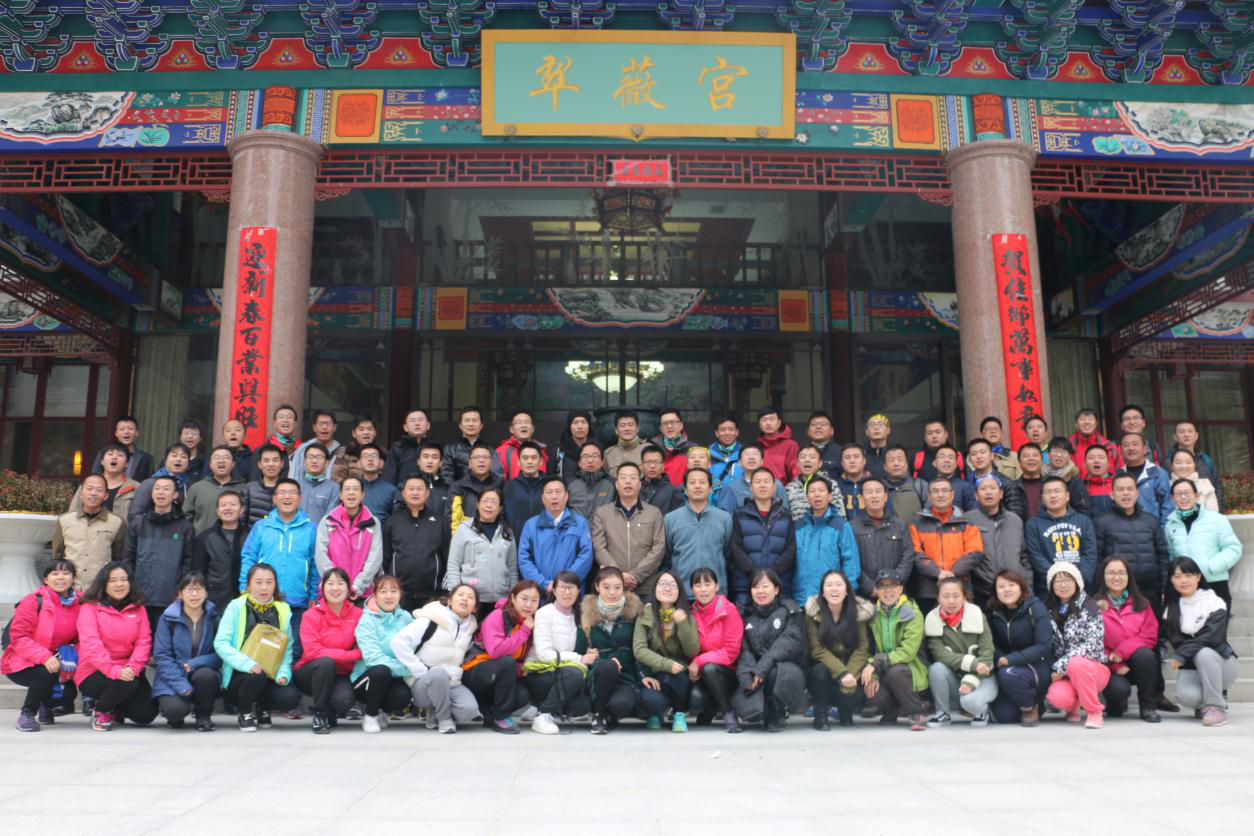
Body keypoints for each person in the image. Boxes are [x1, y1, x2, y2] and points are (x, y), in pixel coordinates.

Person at [238, 478, 319, 661]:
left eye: (292, 493)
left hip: (298, 600)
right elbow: (249, 557)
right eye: (282, 493)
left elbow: (316, 564)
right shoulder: (261, 527)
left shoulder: (311, 528)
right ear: (274, 498)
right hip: (265, 600)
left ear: (299, 498)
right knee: (263, 651)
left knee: (294, 650)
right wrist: (244, 585)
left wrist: (314, 594)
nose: (287, 497)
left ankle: (288, 678)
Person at [215, 563, 300, 731]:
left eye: (269, 582)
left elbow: (287, 648)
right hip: (240, 676)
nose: (264, 587)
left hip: (269, 674)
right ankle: (244, 712)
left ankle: (263, 708)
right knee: (257, 675)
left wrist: (283, 673)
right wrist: (247, 664)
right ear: (248, 585)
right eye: (258, 582)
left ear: (275, 585)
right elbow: (221, 643)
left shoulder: (283, 610)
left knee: (289, 697)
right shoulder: (236, 606)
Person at [75, 561, 158, 730]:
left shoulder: (138, 607)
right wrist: (114, 670)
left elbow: (143, 641)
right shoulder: (90, 607)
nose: (119, 584)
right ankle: (101, 710)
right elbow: (91, 644)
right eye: (113, 580)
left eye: (124, 579)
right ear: (103, 583)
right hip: (94, 670)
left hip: (128, 669)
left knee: (146, 715)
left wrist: (133, 667)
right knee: (126, 684)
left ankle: (116, 706)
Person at [3, 558, 81, 732]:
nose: (60, 577)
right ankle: (27, 713)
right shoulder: (33, 601)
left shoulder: (80, 603)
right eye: (55, 573)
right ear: (46, 579)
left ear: (73, 578)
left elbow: (82, 637)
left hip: (59, 661)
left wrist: (72, 655)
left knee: (68, 694)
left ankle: (47, 706)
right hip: (22, 662)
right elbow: (19, 637)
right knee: (46, 672)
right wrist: (45, 657)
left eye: (66, 573)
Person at [392, 584, 481, 733]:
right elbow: (398, 642)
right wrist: (420, 670)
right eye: (460, 594)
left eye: (470, 597)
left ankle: (435, 712)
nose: (465, 598)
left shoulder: (470, 628)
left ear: (474, 608)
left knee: (469, 711)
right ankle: (444, 719)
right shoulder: (432, 618)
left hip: (452, 682)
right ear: (450, 600)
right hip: (424, 683)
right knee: (438, 673)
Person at [1163, 557, 1237, 727]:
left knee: (1204, 653)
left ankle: (1216, 707)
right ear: (1171, 580)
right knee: (1186, 697)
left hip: (1222, 663)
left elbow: (1211, 637)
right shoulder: (1170, 608)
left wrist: (1181, 654)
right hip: (1192, 666)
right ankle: (1205, 705)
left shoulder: (1215, 602)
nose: (1183, 581)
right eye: (1177, 576)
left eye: (1188, 575)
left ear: (1197, 577)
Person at [463, 580, 541, 734]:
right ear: (513, 598)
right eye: (524, 598)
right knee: (506, 662)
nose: (528, 605)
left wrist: (519, 668)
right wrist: (524, 630)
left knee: (522, 695)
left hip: (498, 671)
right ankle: (501, 717)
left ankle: (489, 713)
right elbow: (496, 651)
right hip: (475, 669)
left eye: (534, 600)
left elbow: (517, 656)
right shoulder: (498, 616)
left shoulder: (529, 621)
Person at [733, 568, 806, 732]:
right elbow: (744, 650)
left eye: (765, 586)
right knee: (749, 709)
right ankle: (763, 709)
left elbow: (789, 642)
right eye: (756, 587)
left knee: (774, 672)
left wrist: (762, 667)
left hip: (786, 670)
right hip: (756, 670)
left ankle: (777, 711)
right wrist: (747, 676)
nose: (760, 591)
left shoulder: (791, 611)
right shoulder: (745, 615)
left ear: (776, 589)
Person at [1091, 556, 1162, 723]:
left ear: (1128, 576)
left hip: (1139, 664)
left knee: (1146, 655)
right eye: (1111, 573)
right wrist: (1115, 665)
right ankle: (1116, 703)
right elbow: (1091, 642)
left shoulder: (1142, 603)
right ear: (1103, 576)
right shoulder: (1093, 605)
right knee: (1118, 691)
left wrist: (1122, 651)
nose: (1116, 577)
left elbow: (1150, 635)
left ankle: (1148, 707)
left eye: (1121, 573)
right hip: (1110, 665)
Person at [522, 571, 594, 734]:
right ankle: (543, 715)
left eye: (571, 588)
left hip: (563, 672)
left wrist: (590, 653)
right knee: (575, 673)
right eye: (562, 587)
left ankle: (551, 709)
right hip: (539, 673)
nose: (567, 592)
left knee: (583, 705)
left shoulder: (579, 616)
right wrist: (580, 658)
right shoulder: (544, 613)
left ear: (578, 591)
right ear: (554, 591)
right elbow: (544, 654)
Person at [123, 474, 195, 633]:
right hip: (140, 595)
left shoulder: (184, 526)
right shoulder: (138, 523)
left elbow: (188, 561)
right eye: (157, 488)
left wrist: (181, 589)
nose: (161, 492)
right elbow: (128, 558)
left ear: (175, 495)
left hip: (171, 596)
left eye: (166, 489)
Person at [293, 569, 362, 733]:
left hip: (341, 673)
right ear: (322, 589)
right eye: (330, 584)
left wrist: (350, 655)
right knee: (325, 662)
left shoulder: (358, 614)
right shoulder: (310, 615)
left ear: (348, 589)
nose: (335, 588)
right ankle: (320, 714)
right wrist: (349, 655)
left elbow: (363, 649)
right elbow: (312, 652)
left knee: (344, 701)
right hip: (311, 673)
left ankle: (331, 712)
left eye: (340, 583)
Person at [576, 566, 642, 734]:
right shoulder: (587, 613)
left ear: (623, 587)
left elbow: (641, 648)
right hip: (598, 675)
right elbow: (579, 651)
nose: (612, 592)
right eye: (606, 587)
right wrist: (590, 656)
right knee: (607, 666)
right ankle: (598, 714)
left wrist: (643, 675)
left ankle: (610, 712)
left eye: (617, 587)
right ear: (597, 587)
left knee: (622, 704)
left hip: (625, 676)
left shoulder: (635, 612)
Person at [1043, 561, 1109, 729]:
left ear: (1077, 582)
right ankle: (1073, 707)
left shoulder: (1090, 607)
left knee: (1076, 663)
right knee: (1056, 697)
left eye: (1068, 580)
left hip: (1093, 669)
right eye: (1058, 581)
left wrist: (1061, 665)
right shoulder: (1048, 610)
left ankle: (1094, 712)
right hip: (1067, 675)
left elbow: (1094, 644)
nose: (1063, 585)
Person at [151, 572, 221, 731]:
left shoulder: (214, 618)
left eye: (199, 589)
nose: (194, 594)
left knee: (206, 675)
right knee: (175, 712)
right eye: (189, 589)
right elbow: (162, 656)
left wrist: (195, 663)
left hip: (201, 674)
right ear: (181, 594)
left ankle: (203, 716)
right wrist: (182, 686)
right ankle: (176, 711)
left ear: (206, 593)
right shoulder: (168, 618)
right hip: (173, 675)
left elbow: (220, 654)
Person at [924, 576, 997, 727]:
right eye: (945, 596)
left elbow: (987, 653)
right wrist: (973, 664)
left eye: (956, 596)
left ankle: (981, 711)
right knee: (936, 668)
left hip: (983, 676)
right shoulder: (932, 619)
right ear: (938, 598)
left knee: (970, 702)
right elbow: (940, 653)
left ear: (964, 596)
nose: (951, 601)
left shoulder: (977, 615)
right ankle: (943, 713)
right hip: (956, 678)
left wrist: (971, 680)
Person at [861, 570, 928, 731]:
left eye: (892, 585)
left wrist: (876, 663)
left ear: (900, 588)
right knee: (873, 692)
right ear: (876, 590)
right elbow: (869, 649)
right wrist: (873, 675)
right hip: (883, 668)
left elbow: (908, 651)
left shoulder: (912, 613)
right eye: (882, 586)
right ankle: (892, 711)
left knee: (895, 672)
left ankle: (915, 711)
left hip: (910, 669)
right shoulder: (872, 614)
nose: (888, 591)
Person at [350, 574, 418, 733]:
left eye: (394, 591)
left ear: (400, 594)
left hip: (394, 676)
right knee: (381, 670)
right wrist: (407, 669)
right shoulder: (367, 620)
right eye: (383, 591)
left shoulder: (406, 618)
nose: (389, 596)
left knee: (402, 696)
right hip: (367, 678)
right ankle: (370, 715)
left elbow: (414, 648)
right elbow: (372, 659)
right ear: (375, 595)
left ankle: (383, 711)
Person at [634, 570, 700, 732]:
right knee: (652, 700)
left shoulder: (687, 616)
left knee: (676, 677)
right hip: (653, 673)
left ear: (679, 592)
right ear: (654, 589)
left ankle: (679, 714)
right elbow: (639, 649)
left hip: (678, 674)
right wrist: (665, 664)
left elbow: (692, 651)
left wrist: (683, 623)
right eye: (662, 584)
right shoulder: (644, 614)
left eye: (672, 585)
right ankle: (655, 713)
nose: (667, 588)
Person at [986, 569, 1053, 726]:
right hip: (1007, 667)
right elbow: (990, 643)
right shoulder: (993, 611)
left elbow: (1043, 646)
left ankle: (1030, 708)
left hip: (1037, 664)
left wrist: (1009, 659)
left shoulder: (1035, 607)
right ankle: (1033, 702)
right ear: (996, 591)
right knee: (1003, 716)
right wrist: (1000, 658)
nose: (1007, 590)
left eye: (1012, 585)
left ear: (1021, 587)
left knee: (1008, 674)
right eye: (1001, 586)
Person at [1094, 473, 1171, 610]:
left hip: (1150, 590)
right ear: (1112, 494)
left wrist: (1165, 587)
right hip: (1117, 591)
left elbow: (1162, 557)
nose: (1126, 493)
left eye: (1130, 489)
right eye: (1120, 489)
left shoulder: (1151, 521)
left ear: (1137, 493)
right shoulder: (1102, 523)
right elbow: (1097, 560)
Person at [591, 462, 666, 600]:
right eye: (623, 477)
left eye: (633, 477)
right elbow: (599, 547)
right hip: (612, 588)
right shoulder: (602, 513)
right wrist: (618, 575)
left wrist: (636, 575)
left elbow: (658, 548)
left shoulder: (654, 513)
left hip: (646, 586)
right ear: (616, 484)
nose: (628, 481)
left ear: (640, 484)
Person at [805, 570, 870, 730]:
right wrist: (842, 673)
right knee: (819, 672)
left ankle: (845, 711)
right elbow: (817, 649)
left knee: (854, 695)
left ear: (847, 591)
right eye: (829, 585)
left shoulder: (858, 612)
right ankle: (820, 714)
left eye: (838, 584)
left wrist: (851, 674)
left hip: (851, 665)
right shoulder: (813, 613)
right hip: (825, 667)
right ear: (823, 592)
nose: (834, 589)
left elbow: (862, 648)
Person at [1163, 478, 1242, 608]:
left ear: (1197, 495)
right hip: (1186, 587)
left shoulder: (1217, 520)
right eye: (1178, 494)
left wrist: (1212, 567)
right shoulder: (1170, 525)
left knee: (1217, 620)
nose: (1183, 497)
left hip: (1214, 582)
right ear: (1173, 498)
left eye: (1187, 492)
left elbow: (1233, 548)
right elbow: (1172, 555)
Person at [909, 478, 984, 613]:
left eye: (945, 490)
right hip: (928, 589)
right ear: (929, 496)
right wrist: (938, 573)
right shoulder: (917, 522)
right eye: (935, 491)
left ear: (952, 494)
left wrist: (952, 573)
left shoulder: (966, 521)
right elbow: (915, 553)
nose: (940, 495)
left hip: (961, 587)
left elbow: (975, 551)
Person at [687, 567, 745, 733]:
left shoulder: (729, 610)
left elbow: (731, 652)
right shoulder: (691, 613)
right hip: (700, 673)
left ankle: (728, 714)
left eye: (708, 584)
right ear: (692, 589)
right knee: (694, 696)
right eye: (698, 585)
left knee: (710, 668)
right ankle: (712, 706)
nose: (703, 589)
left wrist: (699, 661)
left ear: (717, 586)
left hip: (728, 672)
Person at [446, 486, 518, 616]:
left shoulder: (507, 532)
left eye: (494, 502)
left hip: (501, 600)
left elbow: (512, 569)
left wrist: (513, 597)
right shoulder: (463, 529)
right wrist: (455, 594)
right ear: (477, 504)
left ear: (500, 508)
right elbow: (453, 565)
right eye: (485, 501)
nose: (489, 505)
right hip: (470, 599)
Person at [730, 467, 796, 605]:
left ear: (774, 486)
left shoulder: (785, 515)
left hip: (778, 585)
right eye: (758, 482)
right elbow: (736, 548)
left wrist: (771, 574)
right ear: (751, 487)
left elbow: (790, 549)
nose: (762, 485)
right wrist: (755, 572)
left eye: (766, 481)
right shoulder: (739, 514)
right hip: (746, 586)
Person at [519, 476, 595, 594]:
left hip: (570, 592)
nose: (554, 496)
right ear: (543, 498)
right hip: (540, 593)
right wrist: (543, 583)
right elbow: (524, 559)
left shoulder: (580, 523)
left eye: (558, 492)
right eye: (549, 492)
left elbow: (586, 555)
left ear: (566, 496)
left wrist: (565, 583)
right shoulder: (531, 525)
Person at [665, 469, 733, 596]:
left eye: (702, 482)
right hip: (681, 592)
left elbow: (728, 554)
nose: (697, 486)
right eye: (692, 482)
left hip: (715, 592)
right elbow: (667, 556)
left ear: (710, 489)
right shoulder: (670, 519)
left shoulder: (724, 518)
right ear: (685, 489)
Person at [1024, 476, 1097, 595]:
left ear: (1067, 496)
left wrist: (1077, 580)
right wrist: (1056, 580)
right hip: (1048, 590)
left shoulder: (1084, 521)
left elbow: (1090, 554)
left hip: (1081, 588)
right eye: (1048, 492)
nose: (1053, 495)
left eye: (1057, 491)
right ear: (1042, 498)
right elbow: (1036, 556)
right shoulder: (1033, 525)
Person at [54, 474, 127, 591]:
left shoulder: (117, 522)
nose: (93, 493)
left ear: (106, 495)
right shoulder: (64, 520)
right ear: (81, 493)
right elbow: (57, 556)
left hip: (100, 589)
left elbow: (119, 558)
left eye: (99, 490)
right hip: (69, 588)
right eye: (89, 489)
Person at [793, 476, 860, 604]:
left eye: (821, 490)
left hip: (831, 598)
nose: (817, 494)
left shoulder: (840, 526)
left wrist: (848, 592)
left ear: (830, 496)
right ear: (807, 498)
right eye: (812, 491)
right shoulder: (798, 526)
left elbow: (851, 561)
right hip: (802, 597)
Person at [384, 475, 446, 612]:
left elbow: (447, 556)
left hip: (432, 594)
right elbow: (386, 557)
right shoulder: (393, 521)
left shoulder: (440, 522)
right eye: (411, 489)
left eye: (419, 489)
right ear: (403, 493)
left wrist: (443, 588)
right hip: (399, 594)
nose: (415, 492)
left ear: (427, 493)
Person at [314, 477, 383, 600]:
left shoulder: (373, 523)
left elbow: (375, 557)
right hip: (333, 593)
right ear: (341, 495)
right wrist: (337, 585)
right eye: (347, 489)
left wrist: (358, 586)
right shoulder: (327, 522)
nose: (351, 492)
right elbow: (321, 556)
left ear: (362, 495)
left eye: (356, 489)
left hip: (362, 593)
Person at [968, 474, 1032, 603]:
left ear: (1001, 493)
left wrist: (1027, 582)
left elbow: (1023, 556)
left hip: (1015, 591)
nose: (988, 492)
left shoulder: (1014, 520)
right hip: (983, 592)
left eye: (993, 488)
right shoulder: (968, 520)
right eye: (983, 489)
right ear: (976, 495)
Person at [851, 478, 914, 598]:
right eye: (869, 492)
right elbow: (851, 562)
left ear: (885, 496)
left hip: (896, 593)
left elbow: (908, 555)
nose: (874, 496)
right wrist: (870, 587)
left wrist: (894, 583)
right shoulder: (852, 527)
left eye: (878, 491)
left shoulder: (899, 525)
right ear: (862, 498)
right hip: (865, 596)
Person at [192, 491, 248, 612]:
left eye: (233, 504)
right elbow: (198, 572)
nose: (228, 508)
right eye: (223, 505)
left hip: (244, 599)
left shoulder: (250, 536)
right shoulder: (205, 538)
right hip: (214, 601)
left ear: (242, 510)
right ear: (217, 511)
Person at [1017, 441, 1090, 519]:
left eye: (1035, 455)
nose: (1031, 459)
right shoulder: (1014, 487)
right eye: (1026, 456)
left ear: (1041, 460)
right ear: (1019, 461)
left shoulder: (1052, 484)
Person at [183, 446, 245, 534]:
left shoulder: (243, 488)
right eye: (217, 458)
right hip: (201, 539)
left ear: (233, 464)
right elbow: (186, 517)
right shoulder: (197, 488)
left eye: (226, 458)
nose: (221, 461)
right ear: (210, 464)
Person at [447, 443, 505, 537]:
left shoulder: (501, 485)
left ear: (491, 463)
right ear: (469, 463)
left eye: (485, 457)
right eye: (477, 457)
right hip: (466, 538)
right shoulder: (458, 487)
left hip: (495, 537)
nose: (481, 460)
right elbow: (452, 519)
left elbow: (505, 516)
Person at [73, 442, 140, 520]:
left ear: (127, 464)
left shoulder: (137, 488)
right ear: (102, 461)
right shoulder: (88, 484)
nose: (114, 457)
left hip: (122, 528)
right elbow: (73, 512)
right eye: (110, 454)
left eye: (120, 455)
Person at [128, 443, 191, 523]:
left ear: (188, 462)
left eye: (183, 457)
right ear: (165, 460)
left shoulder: (189, 485)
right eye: (174, 456)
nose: (178, 459)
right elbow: (134, 514)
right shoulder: (150, 483)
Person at [965, 439, 1026, 520]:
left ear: (991, 456)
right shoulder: (966, 482)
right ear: (969, 459)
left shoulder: (1006, 483)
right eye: (974, 454)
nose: (979, 456)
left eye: (982, 452)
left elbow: (1015, 514)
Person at [719, 444, 789, 515]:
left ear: (762, 461)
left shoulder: (776, 484)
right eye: (747, 454)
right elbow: (728, 517)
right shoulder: (732, 488)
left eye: (755, 454)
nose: (751, 457)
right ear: (739, 462)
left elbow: (785, 513)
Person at [1171, 420, 1224, 511]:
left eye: (1190, 431)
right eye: (1181, 432)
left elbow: (1217, 487)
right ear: (1175, 436)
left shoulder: (1206, 460)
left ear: (1196, 436)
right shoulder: (1167, 462)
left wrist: (1219, 513)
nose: (1186, 435)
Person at [1121, 432, 1172, 520]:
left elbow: (1167, 506)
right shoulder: (1119, 474)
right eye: (1126, 445)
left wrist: (1163, 527)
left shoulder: (1157, 473)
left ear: (1144, 449)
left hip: (1152, 526)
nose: (1131, 448)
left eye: (1135, 444)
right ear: (1121, 450)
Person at [91, 415, 154, 481]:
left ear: (137, 433)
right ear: (116, 433)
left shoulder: (147, 458)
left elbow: (150, 482)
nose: (126, 432)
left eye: (130, 429)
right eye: (122, 429)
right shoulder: (105, 453)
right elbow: (95, 475)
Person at [784, 445, 836, 521]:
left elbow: (840, 514)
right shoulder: (789, 488)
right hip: (799, 527)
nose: (807, 460)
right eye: (803, 457)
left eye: (812, 457)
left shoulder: (831, 484)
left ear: (820, 463)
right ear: (798, 463)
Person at [567, 442, 616, 522]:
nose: (590, 460)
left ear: (602, 462)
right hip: (577, 529)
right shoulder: (569, 484)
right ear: (579, 463)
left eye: (595, 456)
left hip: (603, 529)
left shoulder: (613, 484)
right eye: (585, 456)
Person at [837, 444, 888, 521]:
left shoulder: (877, 484)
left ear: (864, 461)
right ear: (842, 463)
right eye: (847, 457)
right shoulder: (835, 486)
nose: (852, 461)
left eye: (856, 457)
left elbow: (887, 512)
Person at [383, 408, 432, 486]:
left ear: (428, 425)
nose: (417, 423)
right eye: (413, 420)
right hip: (402, 491)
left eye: (420, 420)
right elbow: (389, 477)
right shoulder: (397, 448)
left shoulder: (435, 447)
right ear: (405, 427)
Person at [503, 441, 546, 528]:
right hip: (517, 536)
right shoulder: (509, 487)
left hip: (545, 536)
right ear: (519, 462)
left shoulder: (549, 485)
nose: (529, 461)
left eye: (534, 458)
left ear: (541, 461)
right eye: (525, 458)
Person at [288, 411, 340, 483]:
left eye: (328, 424)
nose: (324, 427)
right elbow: (295, 476)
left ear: (334, 427)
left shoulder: (340, 452)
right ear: (314, 427)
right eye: (321, 423)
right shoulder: (303, 449)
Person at [1069, 408, 1122, 477]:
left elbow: (1119, 472)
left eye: (1090, 419)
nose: (1087, 422)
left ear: (1096, 424)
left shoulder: (1109, 447)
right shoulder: (1068, 447)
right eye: (1082, 419)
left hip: (1105, 483)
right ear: (1076, 424)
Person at [296, 442, 339, 525]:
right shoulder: (296, 486)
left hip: (321, 532)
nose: (314, 461)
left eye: (319, 457)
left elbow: (330, 517)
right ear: (304, 461)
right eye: (310, 457)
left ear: (327, 463)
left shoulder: (334, 488)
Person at [242, 443, 285, 526]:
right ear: (259, 464)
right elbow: (242, 520)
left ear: (281, 463)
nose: (271, 464)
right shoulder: (249, 489)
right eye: (266, 460)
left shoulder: (287, 490)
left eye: (275, 460)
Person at [441, 405, 486, 484]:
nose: (471, 424)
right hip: (457, 491)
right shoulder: (450, 449)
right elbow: (447, 476)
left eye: (474, 420)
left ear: (481, 425)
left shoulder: (488, 449)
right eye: (467, 420)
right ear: (460, 425)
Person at [1167, 449, 1218, 513]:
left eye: (1188, 462)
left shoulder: (1205, 484)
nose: (1184, 466)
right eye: (1178, 463)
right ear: (1171, 466)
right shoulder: (1166, 486)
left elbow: (1213, 513)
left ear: (1194, 464)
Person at [882, 445, 926, 521]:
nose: (896, 463)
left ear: (906, 464)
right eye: (891, 460)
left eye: (900, 459)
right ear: (885, 466)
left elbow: (930, 515)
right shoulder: (879, 488)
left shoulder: (920, 485)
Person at [653, 409, 695, 486]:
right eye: (665, 423)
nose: (669, 426)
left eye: (673, 422)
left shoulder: (693, 449)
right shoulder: (653, 448)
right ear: (660, 428)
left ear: (681, 425)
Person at [358, 444, 399, 522]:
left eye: (374, 456)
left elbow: (396, 520)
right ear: (359, 463)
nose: (370, 459)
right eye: (366, 456)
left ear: (381, 463)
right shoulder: (352, 488)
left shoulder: (391, 490)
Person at [331, 415, 379, 482]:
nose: (366, 432)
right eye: (361, 429)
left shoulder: (382, 454)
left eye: (369, 429)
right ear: (354, 433)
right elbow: (337, 480)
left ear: (375, 432)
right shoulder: (344, 454)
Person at [757, 407, 800, 483]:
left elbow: (796, 473)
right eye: (764, 420)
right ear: (759, 424)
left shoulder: (790, 445)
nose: (768, 423)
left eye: (772, 419)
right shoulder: (756, 447)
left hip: (784, 489)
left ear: (779, 423)